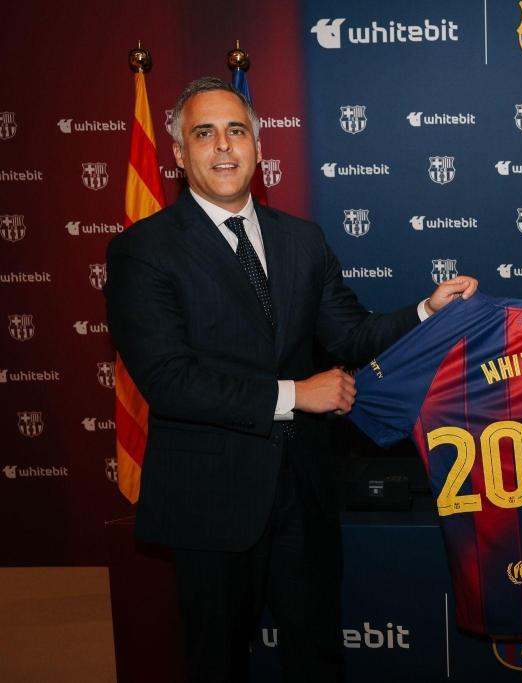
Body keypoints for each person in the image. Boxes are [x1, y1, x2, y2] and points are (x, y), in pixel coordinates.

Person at [105, 76, 477, 682]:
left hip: (305, 491)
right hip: (211, 501)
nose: (223, 146)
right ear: (177, 153)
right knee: (218, 665)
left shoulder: (301, 239)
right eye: (204, 133)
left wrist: (425, 311)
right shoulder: (143, 250)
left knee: (318, 657)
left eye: (236, 131)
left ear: (257, 146)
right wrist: (296, 395)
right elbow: (169, 381)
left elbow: (351, 336)